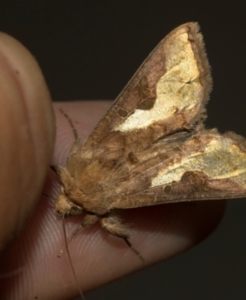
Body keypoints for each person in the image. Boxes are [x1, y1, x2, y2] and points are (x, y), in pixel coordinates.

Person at [0, 32, 225, 299]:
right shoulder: (77, 174)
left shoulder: (92, 202)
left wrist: (70, 241)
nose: (62, 205)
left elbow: (91, 213)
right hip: (142, 132)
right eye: (69, 207)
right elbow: (69, 154)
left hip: (155, 168)